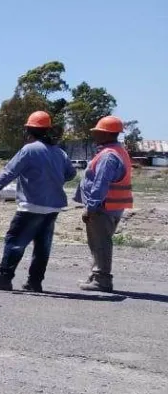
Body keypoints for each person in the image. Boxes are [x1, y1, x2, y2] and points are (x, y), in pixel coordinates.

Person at [0, 111, 77, 292]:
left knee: (15, 242)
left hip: (31, 206)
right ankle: (34, 282)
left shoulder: (29, 150)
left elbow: (9, 173)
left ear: (29, 130)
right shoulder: (59, 152)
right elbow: (71, 173)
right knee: (42, 248)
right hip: (53, 207)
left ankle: (3, 279)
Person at [73, 115, 134, 292]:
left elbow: (101, 184)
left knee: (100, 243)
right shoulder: (118, 151)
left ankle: (102, 280)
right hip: (112, 207)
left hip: (103, 208)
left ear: (106, 134)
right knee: (98, 242)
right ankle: (96, 276)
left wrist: (90, 208)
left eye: (98, 131)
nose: (95, 134)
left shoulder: (108, 156)